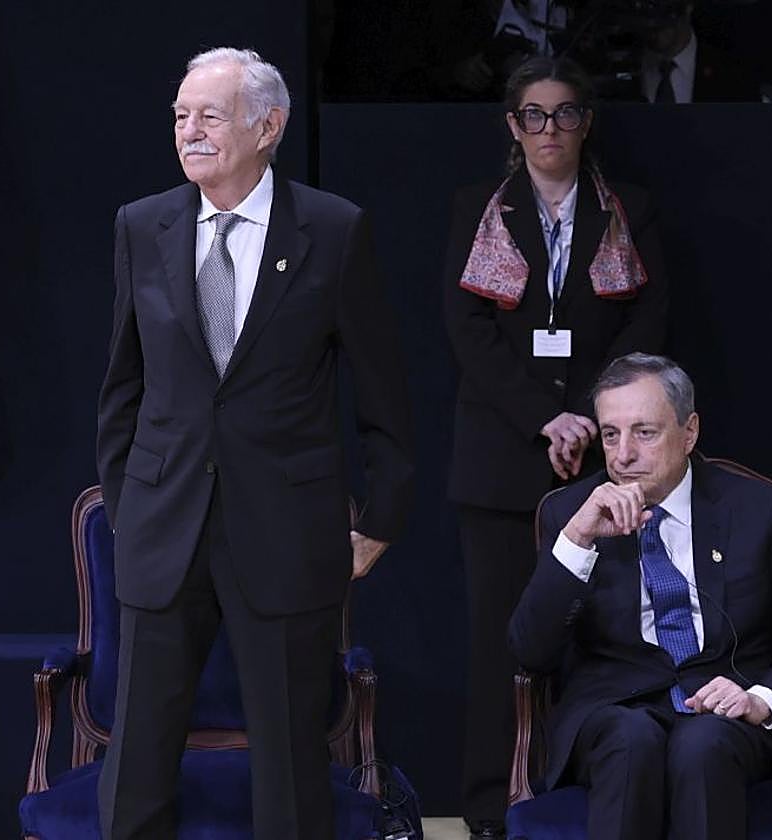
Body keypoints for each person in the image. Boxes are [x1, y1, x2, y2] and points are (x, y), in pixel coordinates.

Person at [95, 47, 414, 839]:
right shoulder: (143, 225)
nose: (188, 130)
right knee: (138, 756)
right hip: (164, 527)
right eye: (179, 115)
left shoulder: (334, 230)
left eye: (209, 114)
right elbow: (121, 387)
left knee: (291, 763)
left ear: (268, 126)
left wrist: (380, 520)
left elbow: (383, 389)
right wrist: (126, 506)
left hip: (286, 530)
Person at [442, 55, 668, 839]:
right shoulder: (481, 209)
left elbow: (646, 324)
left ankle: (582, 800)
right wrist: (547, 416)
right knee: (496, 644)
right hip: (502, 460)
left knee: (599, 640)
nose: (550, 129)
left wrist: (589, 418)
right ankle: (487, 810)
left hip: (608, 463)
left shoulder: (626, 209)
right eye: (533, 115)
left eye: (564, 113)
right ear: (514, 126)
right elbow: (466, 332)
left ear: (585, 123)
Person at [509, 353, 772, 839]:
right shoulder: (572, 513)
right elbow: (530, 651)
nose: (622, 455)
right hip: (614, 711)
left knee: (703, 743)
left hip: (729, 709)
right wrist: (577, 541)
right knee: (632, 738)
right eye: (610, 435)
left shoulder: (757, 509)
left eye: (644, 432)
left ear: (690, 432)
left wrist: (761, 699)